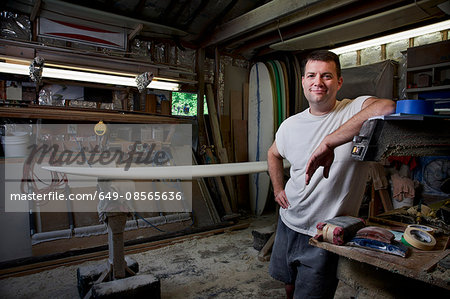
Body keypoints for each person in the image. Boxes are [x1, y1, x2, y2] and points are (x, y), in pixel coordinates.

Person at [267, 50, 395, 299]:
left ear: (339, 82)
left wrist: (330, 142)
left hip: (324, 232)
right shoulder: (290, 125)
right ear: (303, 81)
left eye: (326, 76)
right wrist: (277, 189)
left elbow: (387, 106)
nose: (318, 82)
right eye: (311, 75)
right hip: (288, 221)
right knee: (289, 284)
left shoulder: (353, 109)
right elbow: (273, 154)